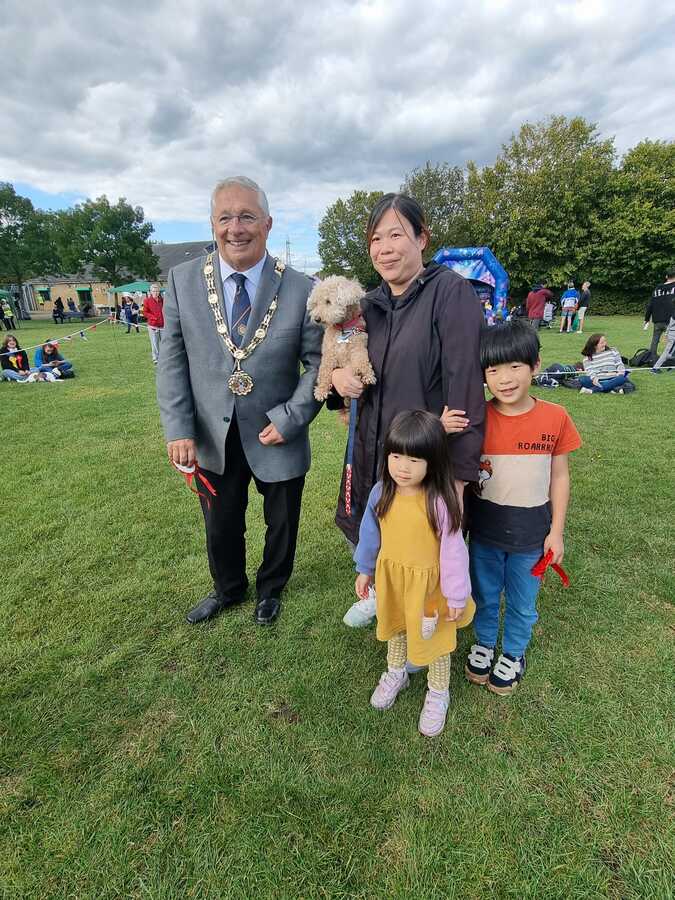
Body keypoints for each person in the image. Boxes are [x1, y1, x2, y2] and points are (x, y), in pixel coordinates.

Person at [156, 175, 322, 626]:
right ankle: (228, 589)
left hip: (277, 430)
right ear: (212, 224)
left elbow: (320, 364)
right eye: (225, 217)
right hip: (213, 430)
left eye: (247, 216)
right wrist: (179, 428)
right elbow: (171, 359)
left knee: (282, 521)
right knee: (221, 522)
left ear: (267, 224)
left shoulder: (303, 288)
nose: (236, 228)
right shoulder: (182, 280)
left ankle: (271, 589)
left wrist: (291, 418)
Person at [329, 193, 485, 628]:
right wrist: (338, 386)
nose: (384, 248)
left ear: (422, 238)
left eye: (396, 234)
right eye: (375, 239)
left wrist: (457, 478)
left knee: (424, 544)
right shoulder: (368, 306)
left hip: (426, 455)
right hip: (371, 447)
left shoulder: (451, 294)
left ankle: (426, 620)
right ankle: (382, 593)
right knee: (377, 524)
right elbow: (343, 362)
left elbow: (466, 391)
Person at [462, 321, 581, 694]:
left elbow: (560, 477)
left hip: (532, 536)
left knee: (522, 601)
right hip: (483, 532)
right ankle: (483, 643)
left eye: (515, 366)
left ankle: (513, 652)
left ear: (536, 365)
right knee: (483, 593)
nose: (504, 378)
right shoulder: (477, 417)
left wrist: (556, 531)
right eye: (493, 369)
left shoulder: (556, 417)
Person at [354, 410, 473, 737]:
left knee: (435, 642)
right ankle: (396, 672)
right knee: (396, 630)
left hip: (430, 590)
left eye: (414, 460)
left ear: (433, 462)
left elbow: (453, 551)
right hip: (394, 582)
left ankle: (438, 693)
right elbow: (370, 533)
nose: (402, 467)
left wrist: (456, 594)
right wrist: (364, 569)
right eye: (395, 456)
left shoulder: (440, 501)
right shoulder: (382, 492)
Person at [644, 268, 675, 362]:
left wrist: (646, 319)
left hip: (657, 319)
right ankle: (671, 361)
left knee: (655, 341)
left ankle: (653, 360)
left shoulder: (657, 288)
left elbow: (650, 304)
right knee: (672, 342)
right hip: (671, 320)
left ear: (666, 276)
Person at [142, 283, 164, 364]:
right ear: (151, 292)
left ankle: (163, 357)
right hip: (153, 326)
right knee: (155, 343)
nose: (156, 293)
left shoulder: (162, 300)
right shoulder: (147, 301)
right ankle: (155, 358)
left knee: (164, 342)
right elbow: (144, 312)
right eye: (154, 291)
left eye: (157, 291)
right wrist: (153, 318)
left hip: (163, 325)